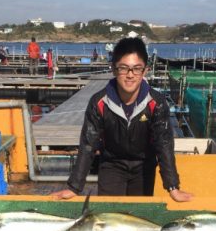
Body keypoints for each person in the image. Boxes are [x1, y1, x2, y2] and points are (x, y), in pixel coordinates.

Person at [52, 37, 193, 202]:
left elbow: (164, 144)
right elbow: (88, 144)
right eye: (123, 68)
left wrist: (172, 187)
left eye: (136, 68)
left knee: (137, 215)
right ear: (114, 69)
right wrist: (74, 187)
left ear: (145, 71)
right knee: (109, 214)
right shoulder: (99, 102)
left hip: (143, 166)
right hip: (111, 165)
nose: (130, 75)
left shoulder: (157, 103)